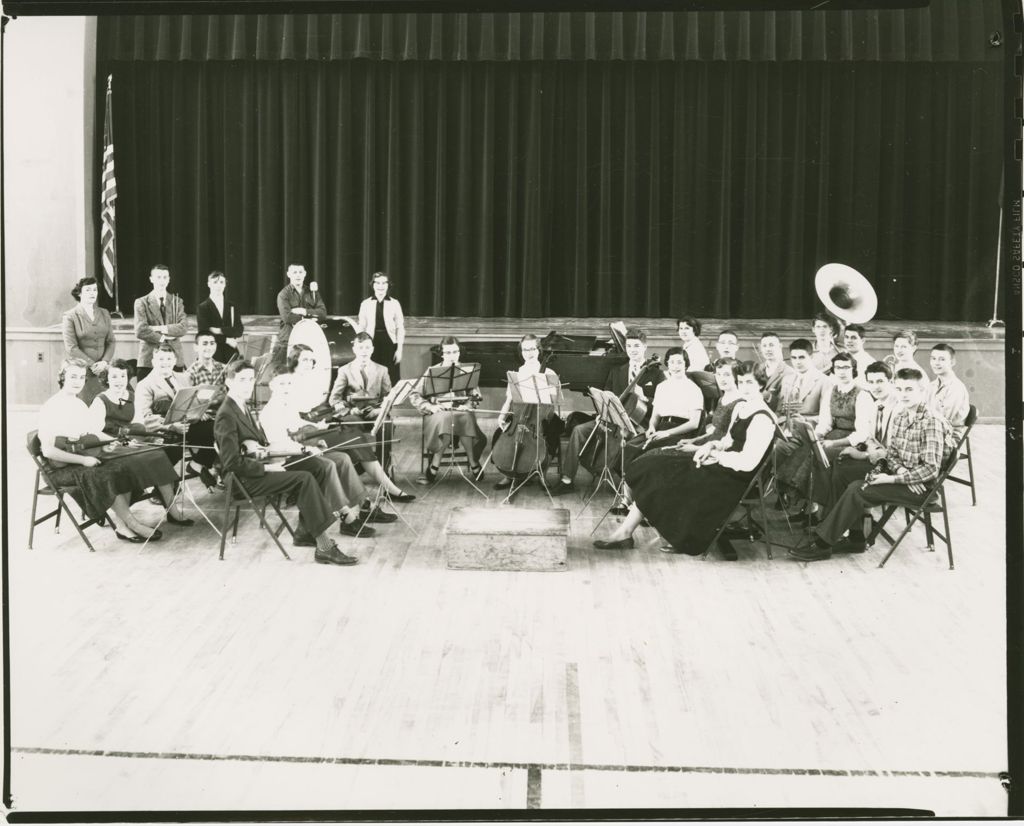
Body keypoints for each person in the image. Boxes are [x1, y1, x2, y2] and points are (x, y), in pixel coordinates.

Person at [592, 362, 776, 560]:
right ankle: (625, 532)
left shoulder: (763, 418)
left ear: (760, 384)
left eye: (750, 382)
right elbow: (727, 440)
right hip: (723, 462)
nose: (744, 387)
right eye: (741, 382)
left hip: (736, 477)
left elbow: (747, 462)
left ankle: (676, 534)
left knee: (669, 473)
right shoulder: (743, 407)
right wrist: (710, 447)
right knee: (654, 465)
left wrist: (715, 455)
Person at [790, 367, 956, 561]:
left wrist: (893, 479)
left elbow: (930, 469)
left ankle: (823, 543)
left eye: (909, 390)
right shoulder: (902, 416)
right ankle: (855, 537)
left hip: (921, 488)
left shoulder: (931, 422)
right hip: (905, 475)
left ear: (922, 391)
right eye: (900, 389)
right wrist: (900, 470)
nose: (903, 394)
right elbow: (892, 455)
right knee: (842, 469)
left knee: (857, 489)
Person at [213, 360, 359, 565]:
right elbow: (230, 463)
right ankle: (324, 546)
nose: (247, 384)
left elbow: (250, 446)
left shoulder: (241, 406)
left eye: (250, 379)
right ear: (229, 382)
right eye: (241, 380)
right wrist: (266, 466)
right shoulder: (226, 414)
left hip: (256, 466)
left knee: (316, 465)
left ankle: (305, 531)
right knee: (304, 479)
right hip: (243, 480)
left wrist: (264, 451)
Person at [38, 359, 189, 543]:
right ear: (62, 378)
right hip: (61, 467)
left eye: (81, 377)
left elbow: (92, 432)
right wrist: (84, 461)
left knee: (122, 464)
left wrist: (115, 442)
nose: (77, 381)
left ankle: (123, 526)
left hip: (81, 454)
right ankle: (131, 523)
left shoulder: (78, 404)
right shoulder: (51, 406)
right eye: (73, 376)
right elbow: (48, 452)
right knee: (110, 472)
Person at [259, 371, 398, 534]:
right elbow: (279, 444)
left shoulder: (286, 404)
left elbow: (297, 424)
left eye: (289, 384)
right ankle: (347, 519)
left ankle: (366, 508)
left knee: (343, 458)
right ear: (272, 386)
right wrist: (307, 448)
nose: (286, 388)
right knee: (329, 465)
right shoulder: (269, 412)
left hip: (299, 452)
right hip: (286, 459)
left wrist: (318, 431)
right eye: (282, 384)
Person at [291, 341, 411, 500]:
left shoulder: (310, 380)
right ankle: (380, 491)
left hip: (317, 425)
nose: (309, 364)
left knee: (357, 435)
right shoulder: (288, 382)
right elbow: (293, 418)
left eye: (311, 360)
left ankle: (379, 488)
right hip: (305, 433)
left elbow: (320, 408)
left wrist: (323, 419)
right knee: (353, 435)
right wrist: (324, 419)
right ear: (294, 361)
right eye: (304, 360)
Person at [550, 327, 663, 496]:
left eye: (637, 346)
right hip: (611, 419)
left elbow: (662, 405)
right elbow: (605, 396)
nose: (633, 350)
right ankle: (567, 480)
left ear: (645, 348)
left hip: (639, 424)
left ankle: (627, 486)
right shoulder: (617, 371)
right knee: (579, 430)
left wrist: (645, 398)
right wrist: (602, 414)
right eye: (630, 346)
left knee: (624, 442)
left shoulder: (656, 373)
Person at [774, 351, 873, 514]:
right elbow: (826, 423)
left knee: (820, 453)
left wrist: (833, 443)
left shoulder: (862, 395)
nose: (842, 371)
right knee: (806, 445)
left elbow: (862, 433)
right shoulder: (831, 392)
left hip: (855, 443)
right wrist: (817, 436)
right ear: (833, 370)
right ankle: (803, 502)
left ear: (853, 369)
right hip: (832, 434)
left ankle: (817, 507)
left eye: (846, 367)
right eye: (838, 367)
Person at [135, 345, 218, 488]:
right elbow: (145, 418)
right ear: (153, 361)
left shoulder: (184, 377)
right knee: (173, 449)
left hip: (188, 424)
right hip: (164, 431)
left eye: (169, 359)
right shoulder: (145, 385)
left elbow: (192, 401)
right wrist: (172, 426)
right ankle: (158, 487)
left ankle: (197, 463)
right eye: (161, 359)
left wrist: (200, 410)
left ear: (174, 360)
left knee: (215, 428)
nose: (165, 363)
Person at [491, 334, 565, 491]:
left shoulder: (549, 372)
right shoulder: (518, 372)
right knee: (499, 433)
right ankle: (509, 473)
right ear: (521, 351)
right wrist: (502, 415)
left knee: (551, 434)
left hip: (542, 416)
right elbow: (509, 399)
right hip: (520, 415)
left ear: (539, 350)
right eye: (525, 349)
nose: (529, 353)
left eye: (532, 349)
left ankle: (542, 472)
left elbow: (555, 401)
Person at [409, 336, 487, 481]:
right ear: (442, 354)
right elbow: (414, 395)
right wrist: (430, 407)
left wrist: (468, 405)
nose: (452, 356)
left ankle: (472, 461)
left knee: (466, 416)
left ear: (459, 352)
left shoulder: (467, 370)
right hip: (437, 413)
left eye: (455, 352)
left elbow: (475, 395)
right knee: (446, 418)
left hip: (460, 411)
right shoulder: (432, 370)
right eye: (449, 352)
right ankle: (436, 462)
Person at [61, 277, 115, 404]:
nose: (92, 293)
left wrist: (104, 362)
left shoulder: (104, 313)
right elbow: (71, 347)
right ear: (79, 293)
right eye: (88, 290)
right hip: (82, 371)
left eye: (94, 290)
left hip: (103, 370)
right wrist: (92, 365)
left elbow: (111, 341)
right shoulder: (70, 316)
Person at [134, 264, 188, 379]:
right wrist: (164, 338)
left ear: (169, 279)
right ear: (151, 279)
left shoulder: (177, 301)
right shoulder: (141, 302)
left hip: (174, 358)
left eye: (165, 277)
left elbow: (183, 327)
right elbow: (140, 330)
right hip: (149, 359)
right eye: (158, 277)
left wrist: (159, 328)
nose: (162, 281)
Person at [270, 263, 327, 368]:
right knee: (284, 370)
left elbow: (323, 313)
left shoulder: (312, 292)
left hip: (309, 337)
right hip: (288, 338)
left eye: (300, 272)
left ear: (304, 274)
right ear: (288, 274)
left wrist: (304, 311)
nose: (298, 275)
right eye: (294, 272)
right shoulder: (283, 294)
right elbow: (287, 317)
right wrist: (310, 318)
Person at [357, 271, 406, 385]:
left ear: (388, 285)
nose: (381, 286)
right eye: (377, 283)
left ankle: (391, 401)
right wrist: (361, 348)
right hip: (371, 344)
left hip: (389, 343)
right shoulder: (365, 304)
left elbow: (400, 328)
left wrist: (399, 350)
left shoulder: (395, 303)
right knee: (372, 376)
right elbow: (361, 328)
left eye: (384, 283)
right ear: (373, 285)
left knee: (391, 376)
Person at [196, 270, 244, 364]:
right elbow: (204, 333)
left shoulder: (232, 306)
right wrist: (227, 340)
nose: (218, 285)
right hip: (212, 354)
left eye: (221, 282)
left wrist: (220, 330)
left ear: (225, 285)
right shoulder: (202, 307)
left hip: (231, 353)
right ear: (209, 284)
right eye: (215, 282)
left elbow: (239, 331)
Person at [927, 343, 971, 436]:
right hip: (932, 429)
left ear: (952, 362)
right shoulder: (932, 385)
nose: (936, 363)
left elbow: (944, 420)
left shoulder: (956, 388)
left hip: (948, 435)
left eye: (942, 359)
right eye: (933, 358)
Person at [775, 339, 826, 420]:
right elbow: (779, 410)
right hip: (785, 426)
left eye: (801, 357)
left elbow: (827, 417)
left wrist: (804, 420)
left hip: (810, 428)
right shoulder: (786, 379)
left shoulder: (824, 381)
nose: (797, 362)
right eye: (794, 358)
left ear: (811, 356)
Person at [757, 331, 792, 411]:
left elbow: (784, 404)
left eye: (771, 345)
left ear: (780, 346)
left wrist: (767, 395)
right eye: (764, 346)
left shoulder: (789, 373)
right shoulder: (756, 369)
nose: (768, 349)